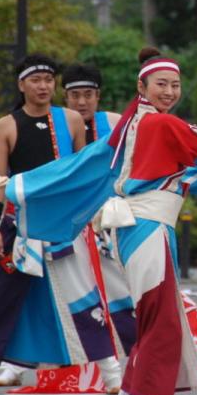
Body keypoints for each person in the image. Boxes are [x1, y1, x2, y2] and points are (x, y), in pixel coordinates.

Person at [5, 48, 197, 395]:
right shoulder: (162, 124)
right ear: (141, 86)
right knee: (159, 319)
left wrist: (24, 186)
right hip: (149, 227)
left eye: (175, 85)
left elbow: (84, 165)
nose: (170, 91)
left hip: (140, 227)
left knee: (151, 316)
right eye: (161, 84)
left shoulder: (134, 125)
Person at [0, 54, 121, 395]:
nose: (43, 86)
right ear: (21, 85)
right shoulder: (7, 125)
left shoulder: (70, 120)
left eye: (48, 80)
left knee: (84, 297)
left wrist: (88, 217)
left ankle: (112, 373)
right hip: (22, 225)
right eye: (36, 80)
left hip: (63, 223)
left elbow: (84, 172)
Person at [60, 62, 136, 357]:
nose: (82, 102)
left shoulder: (115, 122)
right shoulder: (58, 125)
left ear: (98, 96)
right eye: (75, 95)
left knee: (121, 287)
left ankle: (132, 350)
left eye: (88, 95)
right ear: (65, 97)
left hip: (111, 216)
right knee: (74, 291)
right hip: (73, 219)